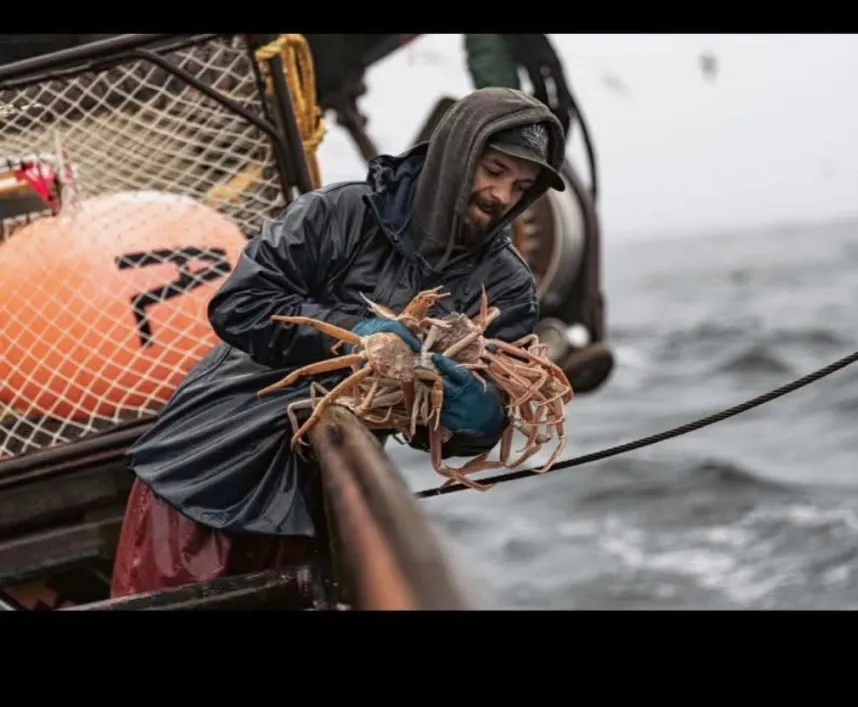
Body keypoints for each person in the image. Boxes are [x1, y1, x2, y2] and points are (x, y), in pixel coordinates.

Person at [108, 87, 567, 598]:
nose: (501, 196)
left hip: (316, 501)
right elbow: (238, 305)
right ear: (457, 155)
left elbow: (484, 415)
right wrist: (353, 335)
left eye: (521, 187)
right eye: (495, 170)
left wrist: (480, 415)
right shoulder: (341, 212)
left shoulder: (506, 284)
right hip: (202, 463)